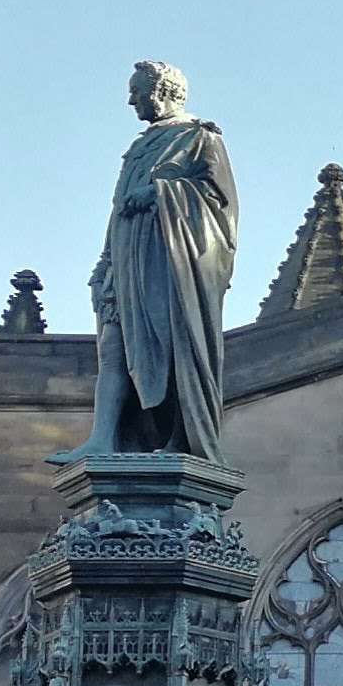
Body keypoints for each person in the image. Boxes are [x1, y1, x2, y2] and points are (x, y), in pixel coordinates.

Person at [49, 60, 241, 463]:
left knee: (171, 351)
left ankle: (179, 437)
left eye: (137, 91)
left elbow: (220, 205)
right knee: (112, 348)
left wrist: (160, 193)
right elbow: (117, 211)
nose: (130, 99)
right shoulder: (139, 146)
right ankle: (102, 439)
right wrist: (105, 264)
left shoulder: (199, 138)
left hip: (171, 267)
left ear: (163, 92)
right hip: (126, 263)